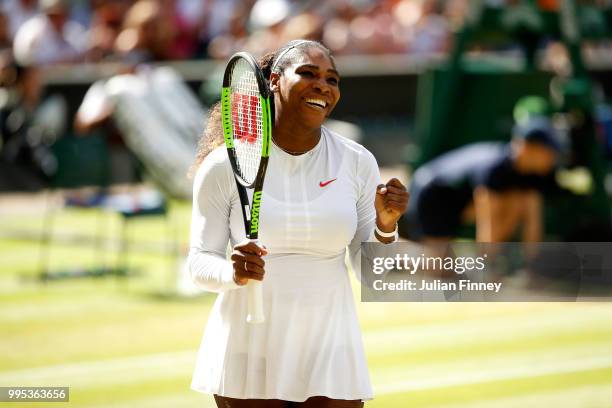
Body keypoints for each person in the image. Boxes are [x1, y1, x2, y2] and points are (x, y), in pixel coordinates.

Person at [188, 39, 409, 407]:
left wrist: (385, 228)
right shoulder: (222, 166)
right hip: (248, 347)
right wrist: (234, 272)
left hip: (331, 344)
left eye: (332, 79)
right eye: (307, 73)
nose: (323, 85)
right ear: (274, 80)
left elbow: (369, 272)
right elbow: (199, 261)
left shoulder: (357, 161)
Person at [400, 107, 561, 243]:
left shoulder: (532, 175)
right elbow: (488, 225)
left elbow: (533, 222)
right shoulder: (495, 170)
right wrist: (487, 268)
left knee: (515, 203)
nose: (552, 158)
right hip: (431, 193)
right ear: (527, 148)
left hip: (458, 202)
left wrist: (532, 268)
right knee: (437, 267)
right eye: (548, 152)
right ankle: (390, 252)